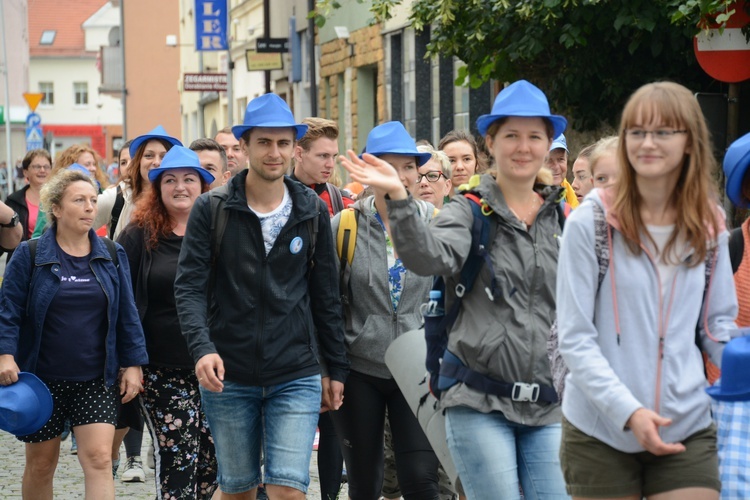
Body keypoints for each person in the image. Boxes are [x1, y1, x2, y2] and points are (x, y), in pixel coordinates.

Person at [340, 80, 570, 499]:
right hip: (477, 398)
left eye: (534, 136)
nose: (523, 146)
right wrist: (397, 195)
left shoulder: (567, 220)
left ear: (547, 143)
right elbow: (426, 257)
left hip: (548, 402)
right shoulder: (467, 211)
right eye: (511, 135)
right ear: (491, 142)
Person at [556, 81, 738, 499]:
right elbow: (575, 339)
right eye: (636, 131)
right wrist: (628, 411)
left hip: (686, 423)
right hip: (600, 428)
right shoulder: (592, 222)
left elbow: (715, 326)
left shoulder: (708, 222)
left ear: (690, 141)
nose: (647, 142)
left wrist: (738, 362)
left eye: (663, 131)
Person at [174, 93, 349, 499]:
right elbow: (189, 288)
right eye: (265, 143)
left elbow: (326, 295)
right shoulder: (211, 209)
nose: (275, 153)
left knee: (288, 488)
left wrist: (334, 368)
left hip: (295, 372)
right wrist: (202, 349)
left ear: (294, 148)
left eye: (283, 143)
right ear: (246, 146)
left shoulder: (311, 209)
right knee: (237, 489)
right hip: (228, 373)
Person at [0, 168, 148, 499]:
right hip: (41, 381)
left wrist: (134, 363)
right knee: (41, 464)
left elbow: (127, 313)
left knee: (98, 458)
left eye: (93, 200)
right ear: (56, 208)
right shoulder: (31, 255)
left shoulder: (110, 253)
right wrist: (5, 355)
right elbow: (8, 311)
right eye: (78, 200)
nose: (88, 207)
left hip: (96, 379)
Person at [330, 121, 442, 500]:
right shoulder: (344, 226)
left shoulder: (437, 224)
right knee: (365, 483)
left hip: (419, 367)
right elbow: (326, 304)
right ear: (367, 170)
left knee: (421, 479)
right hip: (360, 367)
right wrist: (327, 369)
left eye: (409, 166)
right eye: (389, 166)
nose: (402, 176)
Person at [118, 146, 218, 498]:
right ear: (157, 188)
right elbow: (122, 304)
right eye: (170, 180)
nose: (180, 187)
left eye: (189, 179)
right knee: (178, 459)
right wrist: (130, 361)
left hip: (214, 366)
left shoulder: (219, 232)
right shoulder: (137, 236)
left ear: (203, 186)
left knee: (212, 464)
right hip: (160, 367)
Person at [94, 126, 182, 241]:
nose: (156, 162)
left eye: (163, 156)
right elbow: (73, 227)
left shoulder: (181, 197)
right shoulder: (117, 198)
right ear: (138, 161)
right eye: (149, 155)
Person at [291, 117, 353, 217]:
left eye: (333, 156)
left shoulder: (344, 204)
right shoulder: (276, 201)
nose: (331, 165)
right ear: (299, 154)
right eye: (323, 156)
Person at [3, 149, 51, 262]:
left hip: (51, 260)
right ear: (25, 172)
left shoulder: (60, 198)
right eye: (37, 167)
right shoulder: (14, 201)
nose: (42, 170)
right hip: (21, 261)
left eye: (46, 166)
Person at [437, 130, 486, 195]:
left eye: (466, 159)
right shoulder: (432, 203)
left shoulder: (490, 201)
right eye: (451, 161)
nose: (460, 167)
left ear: (477, 163)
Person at [414, 144, 452, 209]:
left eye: (432, 176)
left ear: (447, 186)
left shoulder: (462, 218)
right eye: (417, 177)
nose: (423, 183)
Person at [546, 134, 579, 208]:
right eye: (548, 160)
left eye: (560, 159)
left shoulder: (568, 192)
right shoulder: (527, 198)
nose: (556, 166)